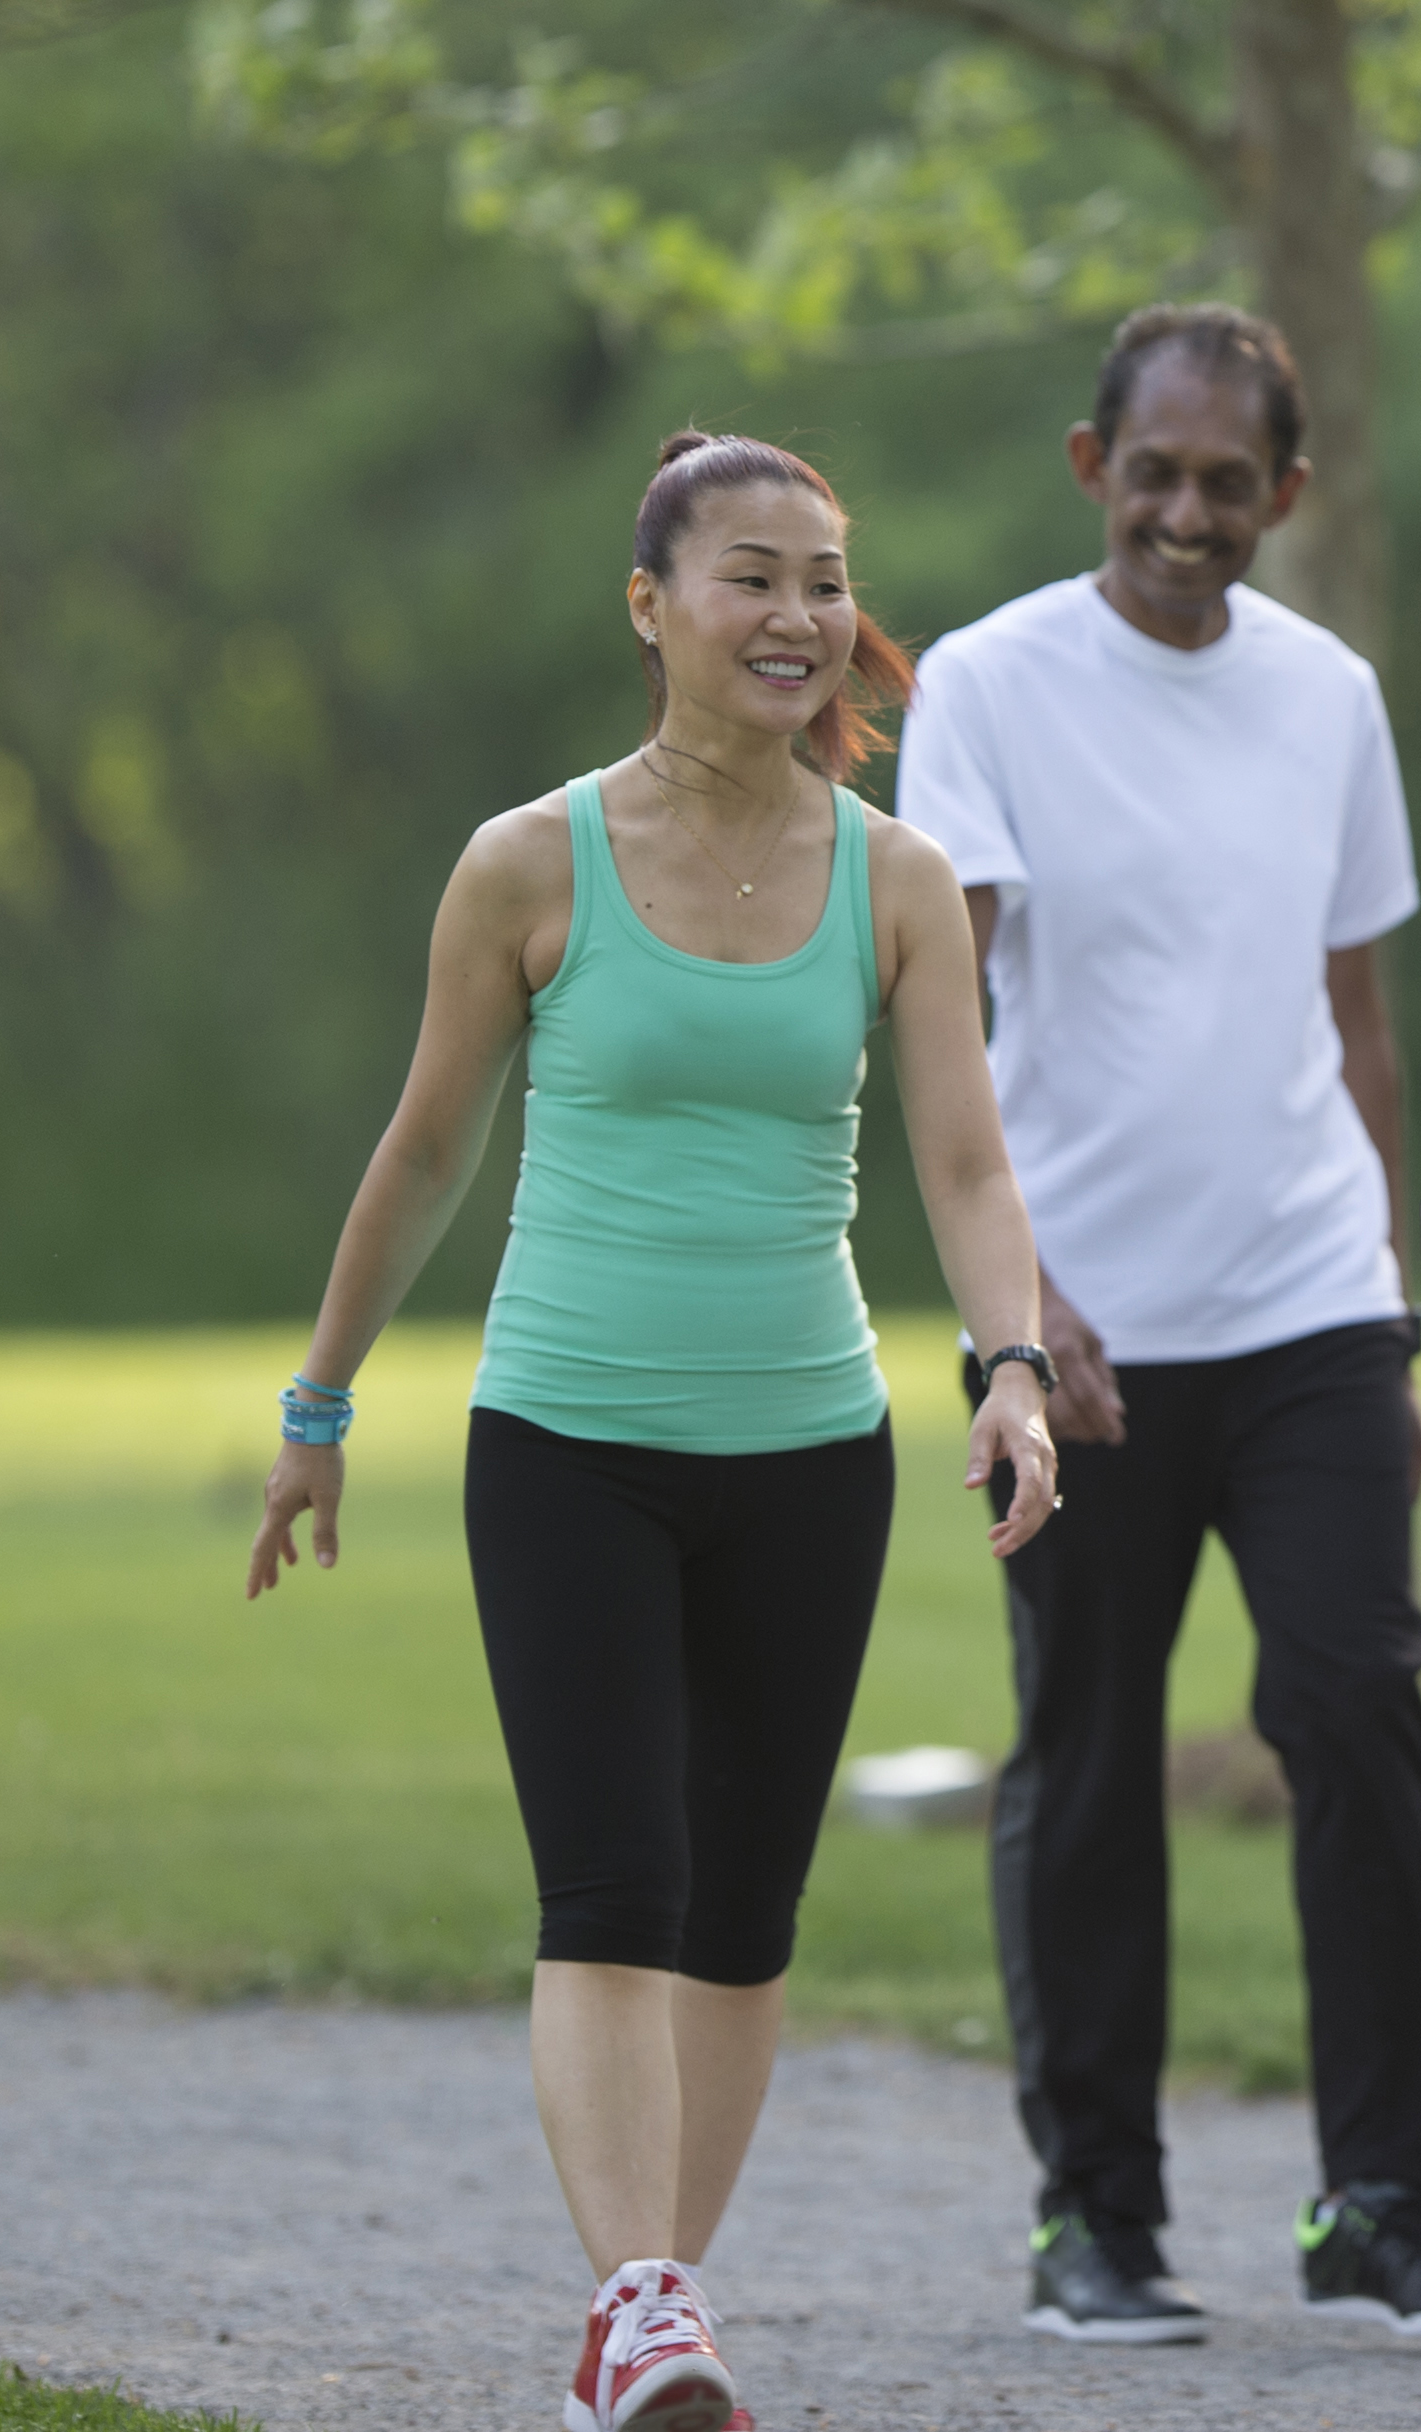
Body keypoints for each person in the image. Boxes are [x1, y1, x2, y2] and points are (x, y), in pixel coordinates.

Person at [245, 431, 1092, 2432]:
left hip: (805, 1454)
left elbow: (965, 1163)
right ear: (651, 607)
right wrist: (317, 1402)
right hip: (569, 1443)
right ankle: (639, 2302)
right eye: (749, 576)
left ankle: (651, 2310)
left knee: (741, 1918)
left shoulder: (892, 880)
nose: (796, 614)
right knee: (612, 1886)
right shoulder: (529, 861)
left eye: (822, 578)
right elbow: (428, 1147)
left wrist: (1016, 1367)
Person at [893, 301, 1421, 2348]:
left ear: (1284, 497)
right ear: (1093, 468)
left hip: (1310, 1302)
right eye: (1148, 472)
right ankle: (1096, 2211)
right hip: (1078, 1335)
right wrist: (1021, 1309)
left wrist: (1405, 1299)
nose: (1181, 510)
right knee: (1082, 1755)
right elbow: (942, 1028)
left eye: (1222, 481)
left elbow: (1358, 1026)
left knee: (1353, 1713)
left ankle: (1389, 2196)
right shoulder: (984, 684)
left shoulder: (1326, 694)